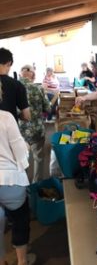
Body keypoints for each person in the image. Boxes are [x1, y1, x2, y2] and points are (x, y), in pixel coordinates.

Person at [0, 107, 33, 265]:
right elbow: (21, 156)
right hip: (9, 179)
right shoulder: (5, 117)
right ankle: (22, 261)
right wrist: (26, 147)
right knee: (20, 219)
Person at [19, 65, 51, 183]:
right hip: (36, 129)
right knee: (38, 158)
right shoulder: (38, 88)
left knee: (22, 159)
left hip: (19, 131)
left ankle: (24, 184)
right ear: (32, 74)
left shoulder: (13, 87)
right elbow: (48, 108)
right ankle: (36, 183)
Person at [0, 48, 30, 122]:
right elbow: (27, 116)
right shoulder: (17, 85)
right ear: (9, 63)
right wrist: (16, 115)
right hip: (8, 130)